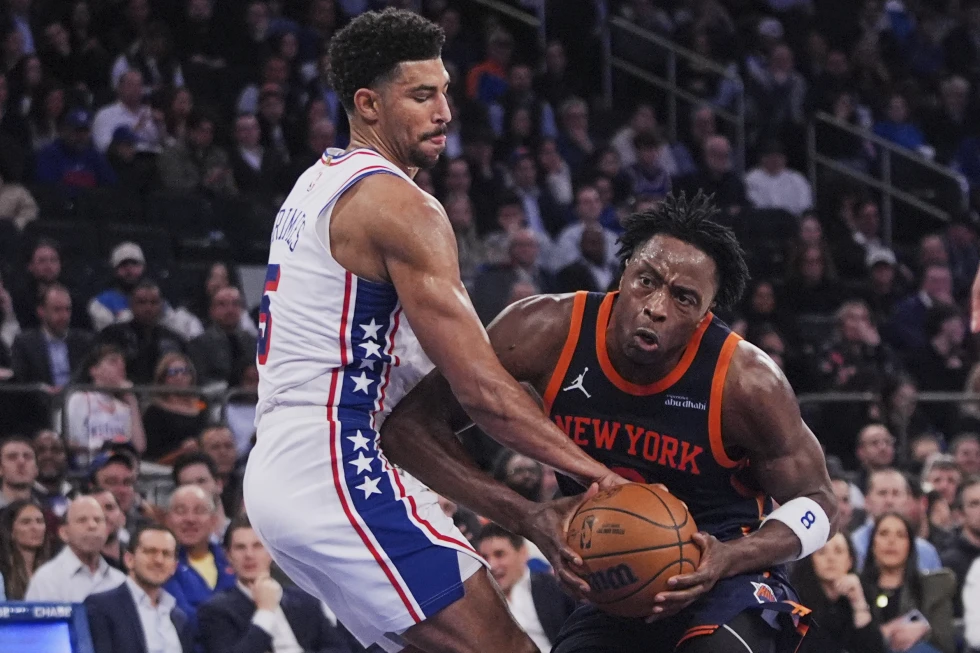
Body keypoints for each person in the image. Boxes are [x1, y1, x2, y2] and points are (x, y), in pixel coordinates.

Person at [243, 10, 621, 653]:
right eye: (421, 96)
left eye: (445, 92)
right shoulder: (400, 205)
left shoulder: (317, 182)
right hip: (336, 461)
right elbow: (481, 391)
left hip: (289, 464)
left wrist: (527, 514)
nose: (445, 112)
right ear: (368, 103)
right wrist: (602, 477)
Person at [382, 192, 838, 651]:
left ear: (706, 314)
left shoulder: (747, 382)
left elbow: (820, 503)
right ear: (622, 274)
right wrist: (525, 515)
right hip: (618, 579)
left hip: (728, 577)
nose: (656, 306)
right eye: (647, 281)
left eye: (683, 298)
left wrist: (730, 557)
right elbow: (408, 430)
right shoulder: (545, 330)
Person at [197, 516, 352, 653]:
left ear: (271, 552)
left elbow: (339, 649)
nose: (249, 555)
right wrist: (265, 612)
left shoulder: (306, 601)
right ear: (228, 555)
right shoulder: (216, 611)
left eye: (257, 546)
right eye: (240, 547)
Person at [85, 525, 193, 653]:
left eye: (166, 554)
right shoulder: (100, 607)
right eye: (150, 551)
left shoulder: (179, 618)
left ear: (174, 567)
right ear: (129, 559)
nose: (159, 560)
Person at [473, 523, 578, 652]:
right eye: (485, 557)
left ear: (523, 553)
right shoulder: (479, 602)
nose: (491, 565)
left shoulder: (557, 588)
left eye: (499, 554)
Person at [860, 513, 956, 653]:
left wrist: (924, 631)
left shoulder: (932, 589)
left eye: (900, 535)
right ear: (872, 544)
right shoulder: (856, 589)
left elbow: (946, 643)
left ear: (910, 546)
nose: (891, 541)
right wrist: (882, 633)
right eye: (884, 534)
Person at [791, 533, 885, 653]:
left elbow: (875, 649)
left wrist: (858, 603)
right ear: (811, 560)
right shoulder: (796, 600)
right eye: (822, 552)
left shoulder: (863, 593)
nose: (831, 558)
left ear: (850, 560)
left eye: (838, 551)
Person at [24, 495, 126, 601]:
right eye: (82, 520)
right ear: (64, 533)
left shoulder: (120, 581)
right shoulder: (46, 580)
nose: (92, 525)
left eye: (98, 520)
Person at [0, 498, 56, 600]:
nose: (35, 528)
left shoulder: (54, 569)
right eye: (26, 522)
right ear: (11, 531)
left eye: (39, 521)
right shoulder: (2, 572)